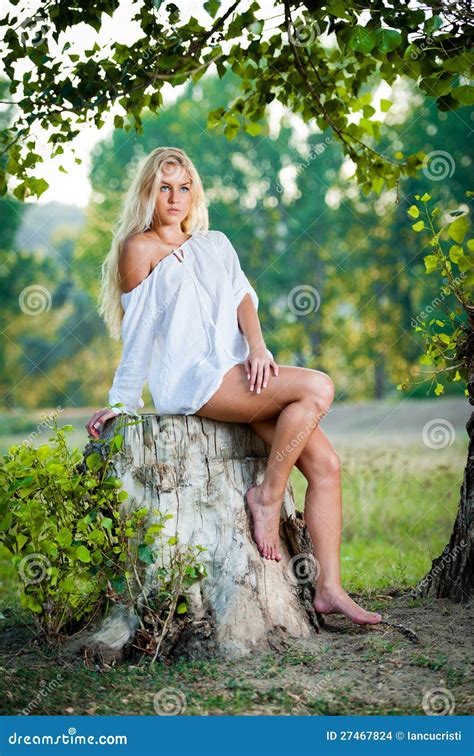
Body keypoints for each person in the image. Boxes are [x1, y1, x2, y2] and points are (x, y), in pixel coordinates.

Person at [86, 146, 382, 626]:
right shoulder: (137, 250)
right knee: (318, 388)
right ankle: (267, 497)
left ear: (194, 193)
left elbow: (244, 297)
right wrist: (122, 401)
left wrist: (260, 348)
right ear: (148, 192)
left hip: (240, 370)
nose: (175, 197)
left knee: (327, 465)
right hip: (194, 381)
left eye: (184, 188)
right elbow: (137, 330)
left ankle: (329, 589)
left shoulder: (215, 243)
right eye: (164, 187)